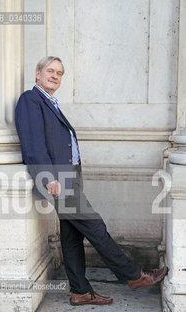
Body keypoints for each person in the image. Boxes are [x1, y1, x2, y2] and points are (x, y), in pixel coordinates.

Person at [15, 56, 168, 306]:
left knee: (72, 234)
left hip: (71, 176)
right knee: (94, 225)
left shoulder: (50, 102)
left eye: (60, 73)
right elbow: (33, 144)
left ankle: (80, 291)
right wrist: (48, 177)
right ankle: (134, 275)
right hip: (58, 179)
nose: (55, 76)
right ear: (38, 74)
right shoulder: (30, 100)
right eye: (50, 71)